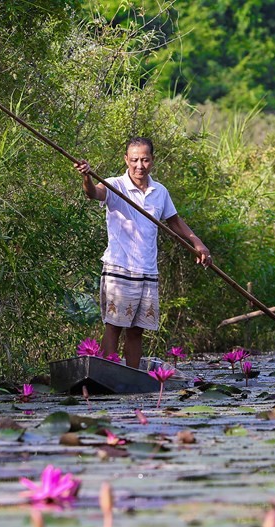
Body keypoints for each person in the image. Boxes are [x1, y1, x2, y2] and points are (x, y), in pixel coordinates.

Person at [74, 137, 211, 369]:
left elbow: (174, 221)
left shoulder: (160, 192)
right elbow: (93, 194)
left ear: (152, 160)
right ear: (126, 160)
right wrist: (86, 176)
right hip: (120, 268)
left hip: (147, 270)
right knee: (114, 325)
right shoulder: (114, 185)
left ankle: (132, 378)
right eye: (135, 160)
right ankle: (109, 375)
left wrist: (197, 243)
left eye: (145, 160)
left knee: (137, 330)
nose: (140, 165)